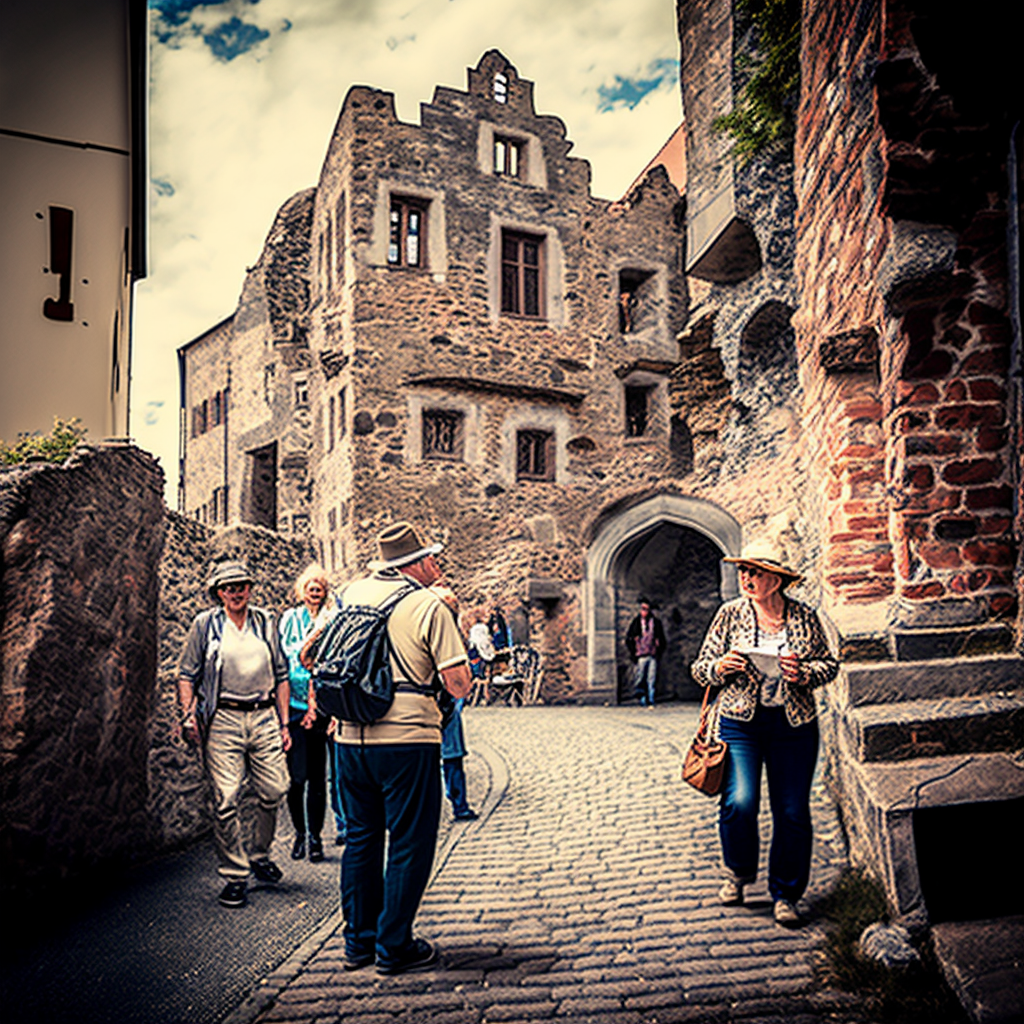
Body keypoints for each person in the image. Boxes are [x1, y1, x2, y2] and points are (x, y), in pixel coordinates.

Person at [325, 521, 472, 975]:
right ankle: (394, 946)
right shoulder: (427, 604)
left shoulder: (349, 594)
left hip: (350, 736)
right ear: (420, 562)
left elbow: (314, 653)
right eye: (435, 558)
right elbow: (458, 682)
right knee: (410, 841)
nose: (439, 565)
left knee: (362, 841)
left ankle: (358, 944)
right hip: (407, 739)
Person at [691, 541, 838, 927]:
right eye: (743, 571)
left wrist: (803, 674)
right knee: (740, 800)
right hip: (740, 723)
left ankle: (786, 893)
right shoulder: (729, 614)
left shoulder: (805, 617)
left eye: (754, 572)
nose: (746, 578)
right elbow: (700, 668)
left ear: (776, 580)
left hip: (793, 725)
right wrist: (721, 667)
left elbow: (829, 665)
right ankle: (737, 872)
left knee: (791, 811)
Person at [177, 561, 292, 909]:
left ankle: (259, 854)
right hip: (223, 718)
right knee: (226, 798)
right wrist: (187, 715)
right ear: (218, 593)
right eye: (228, 587)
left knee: (274, 789)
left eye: (241, 585)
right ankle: (235, 874)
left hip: (263, 716)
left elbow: (282, 673)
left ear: (249, 588)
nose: (236, 592)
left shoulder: (265, 621)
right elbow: (186, 674)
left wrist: (285, 723)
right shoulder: (205, 624)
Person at [278, 564, 336, 862]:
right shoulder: (289, 619)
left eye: (320, 586)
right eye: (310, 586)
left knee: (317, 777)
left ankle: (315, 838)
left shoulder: (331, 619)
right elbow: (282, 657)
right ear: (302, 590)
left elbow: (332, 659)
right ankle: (299, 833)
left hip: (321, 708)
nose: (315, 590)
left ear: (325, 591)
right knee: (295, 778)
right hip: (294, 709)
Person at [625, 598, 666, 706]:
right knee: (640, 677)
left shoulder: (655, 623)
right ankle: (642, 697)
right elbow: (629, 638)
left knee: (651, 678)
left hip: (652, 654)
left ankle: (651, 698)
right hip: (640, 654)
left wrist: (658, 646)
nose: (645, 612)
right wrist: (633, 648)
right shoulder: (636, 623)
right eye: (643, 609)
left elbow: (661, 639)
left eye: (647, 609)